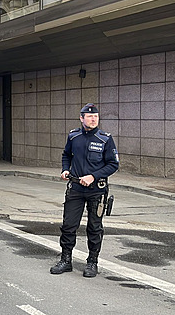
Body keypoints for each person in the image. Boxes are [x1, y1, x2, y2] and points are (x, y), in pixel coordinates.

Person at [51, 103, 119, 278]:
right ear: (81, 118)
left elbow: (113, 164)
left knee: (94, 228)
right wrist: (65, 169)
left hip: (96, 190)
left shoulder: (105, 139)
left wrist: (93, 176)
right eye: (89, 116)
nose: (93, 118)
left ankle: (92, 262)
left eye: (95, 116)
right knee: (68, 225)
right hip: (75, 188)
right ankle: (66, 260)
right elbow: (66, 155)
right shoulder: (74, 136)